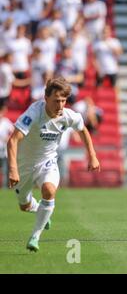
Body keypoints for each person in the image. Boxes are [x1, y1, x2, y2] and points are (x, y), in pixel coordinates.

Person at [7, 77, 100, 252]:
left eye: (64, 100)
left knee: (49, 191)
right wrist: (13, 168)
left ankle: (35, 236)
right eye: (56, 100)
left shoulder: (68, 115)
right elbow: (12, 141)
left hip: (48, 161)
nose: (60, 105)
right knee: (24, 206)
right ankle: (41, 211)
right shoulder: (33, 113)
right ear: (46, 98)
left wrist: (92, 156)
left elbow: (83, 130)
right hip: (24, 166)